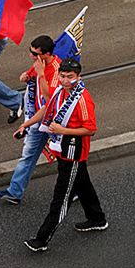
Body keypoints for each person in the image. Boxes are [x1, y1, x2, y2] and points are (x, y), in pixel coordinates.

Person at [22, 58, 107, 252]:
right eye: (62, 76)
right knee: (82, 183)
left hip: (73, 151)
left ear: (78, 77)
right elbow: (47, 107)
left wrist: (63, 130)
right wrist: (26, 125)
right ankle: (97, 218)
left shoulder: (83, 99)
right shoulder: (60, 91)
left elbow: (90, 129)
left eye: (70, 77)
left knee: (61, 196)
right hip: (62, 146)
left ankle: (42, 239)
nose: (65, 80)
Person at [0, 35, 61, 204]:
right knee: (28, 155)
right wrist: (28, 75)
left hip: (53, 122)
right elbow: (30, 75)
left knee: (65, 159)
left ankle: (75, 190)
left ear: (46, 54)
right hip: (39, 118)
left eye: (35, 53)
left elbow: (49, 100)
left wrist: (40, 75)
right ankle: (14, 192)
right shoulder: (40, 62)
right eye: (30, 51)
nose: (31, 56)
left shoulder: (56, 69)